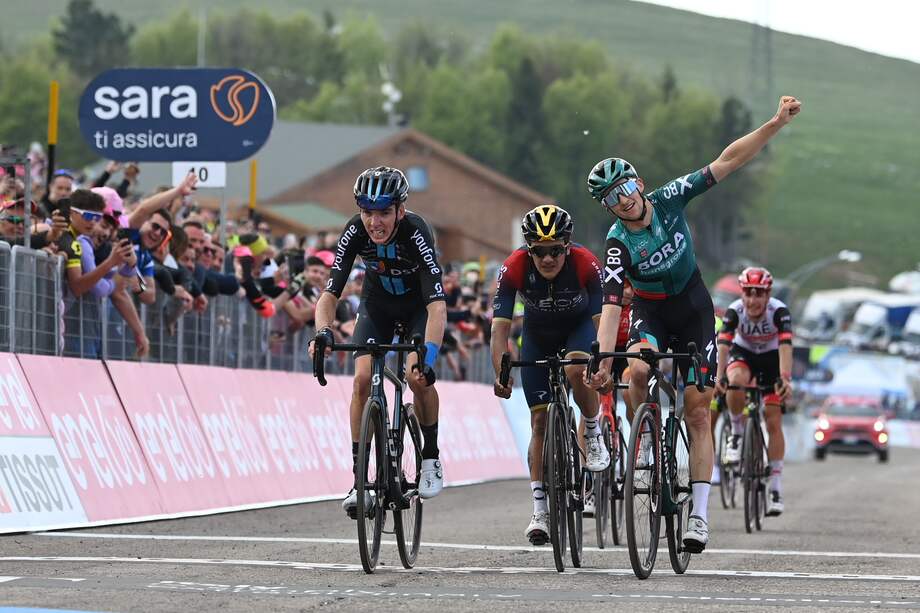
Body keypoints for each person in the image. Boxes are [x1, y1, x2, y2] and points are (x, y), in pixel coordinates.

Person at [585, 95, 802, 552]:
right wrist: (603, 357)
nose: (622, 201)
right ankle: (644, 437)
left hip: (695, 309)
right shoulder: (617, 241)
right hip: (652, 312)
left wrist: (775, 123)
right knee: (638, 369)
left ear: (638, 184)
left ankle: (698, 517)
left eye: (625, 189)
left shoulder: (669, 198)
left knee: (698, 409)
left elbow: (729, 160)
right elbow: (609, 304)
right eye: (611, 199)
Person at [309, 166, 448, 514]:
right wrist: (323, 330)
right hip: (378, 306)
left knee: (417, 376)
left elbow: (437, 307)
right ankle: (360, 481)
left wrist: (428, 357)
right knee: (360, 381)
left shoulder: (416, 232)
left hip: (419, 307)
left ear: (400, 210)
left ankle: (430, 456)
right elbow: (329, 294)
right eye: (368, 212)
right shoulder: (354, 230)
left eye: (384, 212)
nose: (375, 222)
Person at [490, 204, 610, 545]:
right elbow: (499, 328)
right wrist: (501, 369)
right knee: (539, 423)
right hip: (538, 337)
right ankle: (540, 509)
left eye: (556, 250)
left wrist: (602, 365)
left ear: (567, 246)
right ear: (529, 249)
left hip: (579, 329)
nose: (548, 259)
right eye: (540, 251)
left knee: (575, 367)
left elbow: (602, 322)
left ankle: (591, 429)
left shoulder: (585, 262)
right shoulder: (513, 267)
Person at [714, 267, 793, 516]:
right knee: (735, 378)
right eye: (748, 293)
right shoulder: (735, 310)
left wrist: (785, 379)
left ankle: (776, 488)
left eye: (759, 294)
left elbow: (785, 345)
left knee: (773, 420)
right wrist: (719, 377)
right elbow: (724, 345)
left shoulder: (778, 312)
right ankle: (737, 433)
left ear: (768, 295)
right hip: (744, 353)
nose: (752, 300)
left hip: (771, 358)